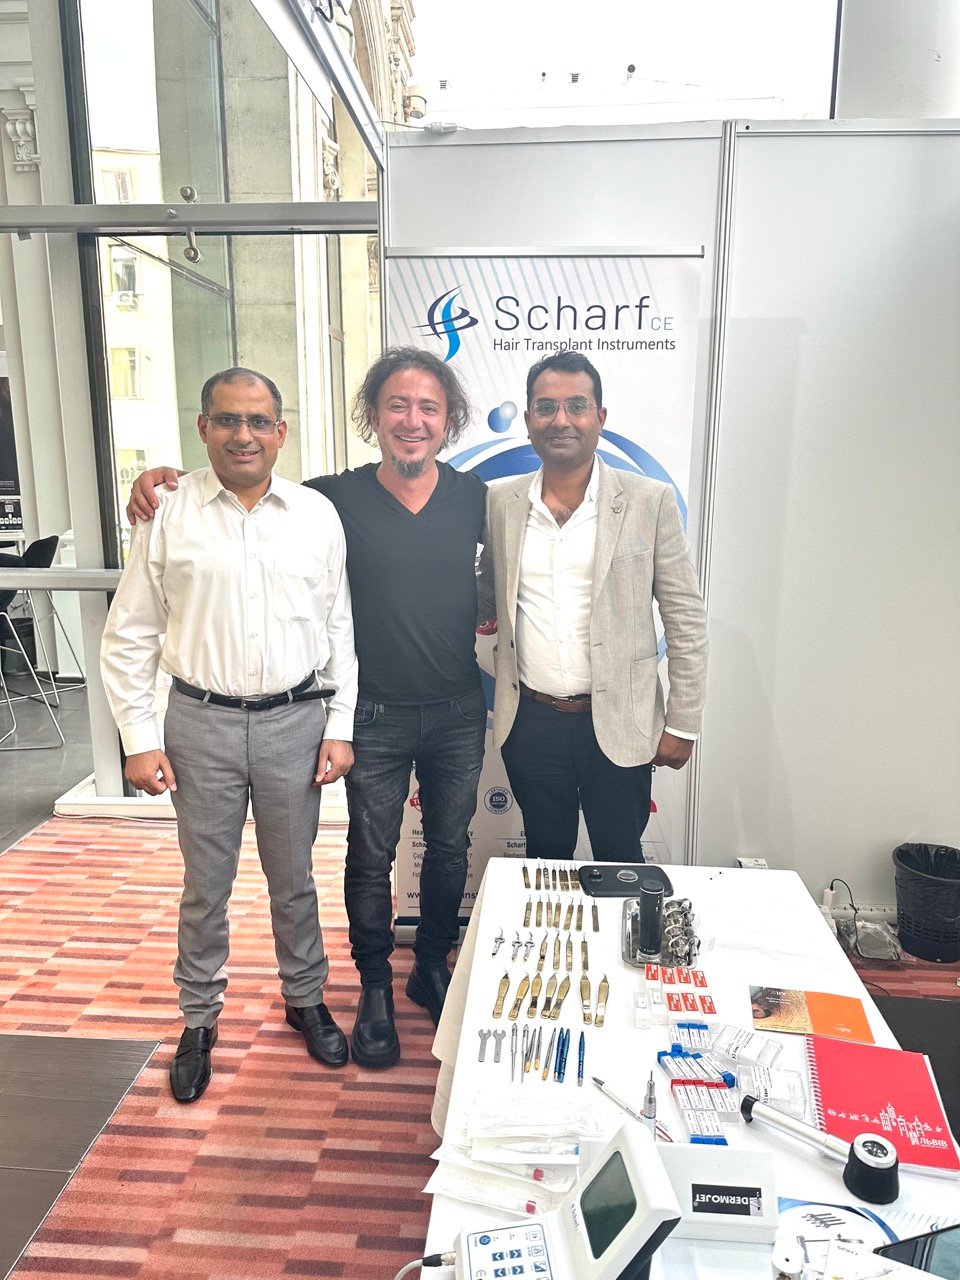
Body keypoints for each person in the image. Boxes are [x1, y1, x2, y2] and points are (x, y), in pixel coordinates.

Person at [125, 348, 487, 1069]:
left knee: (442, 849)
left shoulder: (473, 498)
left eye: (428, 407)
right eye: (397, 405)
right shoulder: (330, 499)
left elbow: (338, 624)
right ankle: (365, 988)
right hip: (361, 715)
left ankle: (421, 969)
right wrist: (157, 480)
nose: (412, 420)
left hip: (446, 711)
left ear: (449, 419)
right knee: (356, 858)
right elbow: (240, 477)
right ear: (372, 415)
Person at [102, 367, 358, 1103]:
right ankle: (199, 1019)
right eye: (227, 420)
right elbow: (131, 632)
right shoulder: (167, 512)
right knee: (205, 886)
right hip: (199, 725)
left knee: (294, 880)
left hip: (295, 722)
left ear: (281, 431)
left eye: (258, 421)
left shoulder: (316, 515)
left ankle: (305, 998)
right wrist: (138, 737)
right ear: (203, 428)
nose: (243, 435)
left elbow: (338, 627)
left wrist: (339, 724)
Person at [477, 349, 708, 862]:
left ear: (600, 417)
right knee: (545, 859)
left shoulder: (649, 501)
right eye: (546, 407)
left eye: (576, 406)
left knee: (621, 860)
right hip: (531, 722)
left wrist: (683, 722)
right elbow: (484, 593)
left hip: (621, 720)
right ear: (529, 420)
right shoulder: (499, 503)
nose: (561, 420)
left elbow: (686, 621)